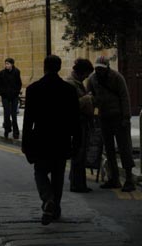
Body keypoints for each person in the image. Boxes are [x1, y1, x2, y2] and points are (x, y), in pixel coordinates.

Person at [22, 55, 80, 225]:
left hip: (41, 138)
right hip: (61, 139)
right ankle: (55, 208)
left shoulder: (33, 89)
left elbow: (28, 120)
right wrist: (77, 141)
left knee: (40, 172)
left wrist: (26, 143)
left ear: (44, 67)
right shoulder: (69, 90)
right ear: (59, 67)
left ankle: (48, 199)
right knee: (58, 175)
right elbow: (75, 119)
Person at [87, 56, 136, 192]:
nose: (98, 71)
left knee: (125, 148)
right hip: (103, 118)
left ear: (107, 68)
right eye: (97, 68)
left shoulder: (117, 77)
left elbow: (124, 97)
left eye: (101, 69)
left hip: (119, 118)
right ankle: (114, 178)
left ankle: (129, 179)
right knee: (109, 150)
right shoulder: (92, 79)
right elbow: (89, 96)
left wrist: (126, 117)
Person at [66, 58, 94, 192]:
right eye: (87, 74)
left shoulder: (77, 83)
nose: (87, 77)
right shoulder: (72, 84)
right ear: (82, 72)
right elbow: (72, 105)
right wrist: (87, 98)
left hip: (81, 123)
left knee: (80, 154)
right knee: (79, 154)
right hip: (77, 124)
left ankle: (77, 182)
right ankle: (77, 184)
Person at [0, 58, 22, 139]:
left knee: (14, 114)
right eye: (5, 64)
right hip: (5, 96)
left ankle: (16, 132)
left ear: (12, 64)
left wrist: (16, 91)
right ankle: (7, 129)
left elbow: (19, 83)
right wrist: (2, 92)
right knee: (6, 114)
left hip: (14, 96)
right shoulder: (2, 73)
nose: (6, 65)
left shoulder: (16, 71)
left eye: (8, 64)